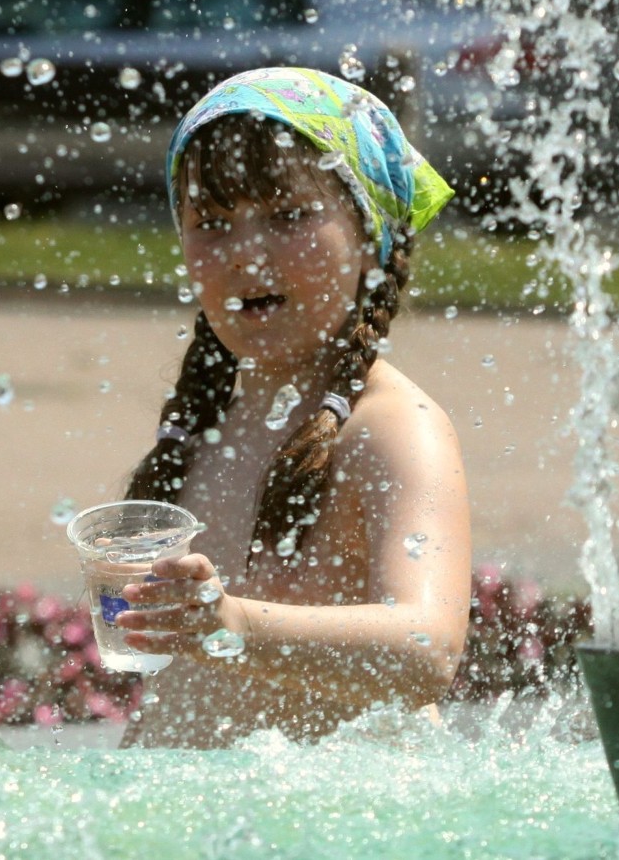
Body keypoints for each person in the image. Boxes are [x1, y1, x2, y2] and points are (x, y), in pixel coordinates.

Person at [117, 66, 471, 747]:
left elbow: (427, 649)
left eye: (288, 216)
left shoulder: (392, 427)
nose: (248, 252)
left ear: (372, 240)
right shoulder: (209, 424)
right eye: (213, 223)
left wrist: (233, 626)